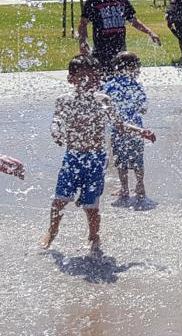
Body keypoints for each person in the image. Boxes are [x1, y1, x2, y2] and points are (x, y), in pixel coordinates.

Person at [41, 55, 155, 254]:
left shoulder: (103, 100)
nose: (91, 81)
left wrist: (140, 131)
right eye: (84, 77)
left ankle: (94, 236)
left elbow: (119, 124)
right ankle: (53, 229)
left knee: (91, 206)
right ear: (71, 79)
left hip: (95, 159)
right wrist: (56, 131)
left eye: (95, 77)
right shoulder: (64, 101)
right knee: (59, 200)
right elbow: (56, 121)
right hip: (73, 157)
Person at [77, 0, 161, 71]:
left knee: (121, 77)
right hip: (101, 50)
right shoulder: (93, 1)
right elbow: (83, 24)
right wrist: (83, 42)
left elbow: (133, 20)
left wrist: (150, 32)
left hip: (120, 48)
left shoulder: (121, 0)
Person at [102, 51, 149, 203]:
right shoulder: (136, 85)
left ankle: (124, 188)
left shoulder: (109, 85)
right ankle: (140, 185)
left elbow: (104, 105)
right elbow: (143, 108)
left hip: (118, 128)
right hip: (137, 128)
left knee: (120, 160)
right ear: (134, 68)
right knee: (137, 159)